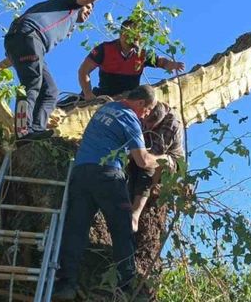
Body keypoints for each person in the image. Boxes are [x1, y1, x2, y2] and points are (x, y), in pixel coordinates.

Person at [0, 0, 146, 137]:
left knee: (50, 91)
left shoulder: (58, 22)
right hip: (29, 37)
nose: (89, 11)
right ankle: (22, 132)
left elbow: (19, 51)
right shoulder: (70, 5)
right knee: (32, 83)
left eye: (91, 11)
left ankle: (36, 131)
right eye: (87, 7)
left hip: (26, 43)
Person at [52, 85, 175, 300]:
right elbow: (143, 160)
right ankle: (127, 285)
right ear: (139, 104)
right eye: (147, 110)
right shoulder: (129, 118)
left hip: (81, 174)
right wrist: (164, 159)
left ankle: (66, 283)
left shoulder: (105, 109)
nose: (146, 116)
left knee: (76, 229)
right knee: (123, 227)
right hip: (107, 175)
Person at [77, 19, 185, 101]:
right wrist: (88, 94)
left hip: (131, 99)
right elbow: (84, 71)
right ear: (121, 34)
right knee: (71, 103)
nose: (133, 36)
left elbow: (160, 61)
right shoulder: (104, 49)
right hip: (105, 97)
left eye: (136, 33)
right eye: (129, 32)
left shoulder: (142, 54)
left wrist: (172, 64)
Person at [128, 101, 185, 232]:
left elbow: (153, 155)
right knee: (135, 166)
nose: (145, 125)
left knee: (153, 164)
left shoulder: (171, 124)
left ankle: (135, 214)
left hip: (171, 162)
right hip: (146, 150)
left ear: (158, 122)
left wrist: (137, 156)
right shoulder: (148, 107)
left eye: (149, 125)